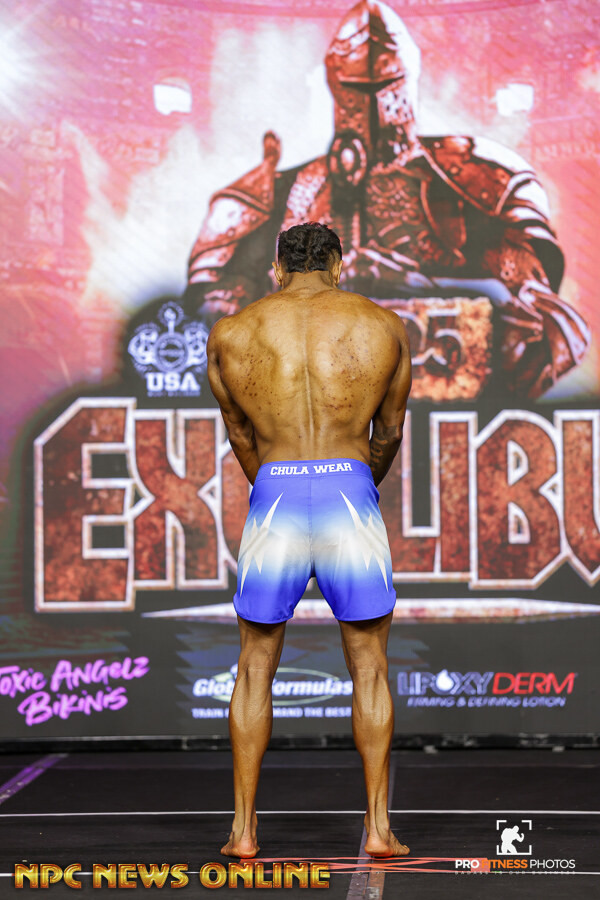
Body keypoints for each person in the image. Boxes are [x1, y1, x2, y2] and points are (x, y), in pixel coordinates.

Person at [189, 0, 588, 400]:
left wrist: (425, 288)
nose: (372, 103)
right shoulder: (280, 191)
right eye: (357, 89)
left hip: (444, 388)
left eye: (384, 86)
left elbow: (546, 317)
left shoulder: (477, 178)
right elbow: (213, 311)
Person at [206, 221, 412, 859]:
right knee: (369, 667)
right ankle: (378, 828)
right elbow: (389, 431)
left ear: (277, 269)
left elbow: (241, 435)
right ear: (338, 264)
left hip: (276, 495)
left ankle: (243, 831)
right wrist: (355, 482)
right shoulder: (382, 327)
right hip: (351, 490)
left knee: (254, 667)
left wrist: (278, 486)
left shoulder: (233, 333)